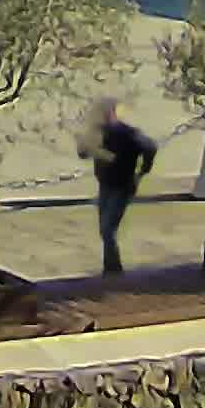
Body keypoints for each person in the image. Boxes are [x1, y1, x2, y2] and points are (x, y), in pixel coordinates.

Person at [78, 100, 157, 276]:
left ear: (111, 114)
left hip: (123, 186)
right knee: (105, 230)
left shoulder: (127, 133)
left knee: (107, 230)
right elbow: (83, 153)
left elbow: (150, 147)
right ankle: (111, 268)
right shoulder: (98, 132)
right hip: (105, 184)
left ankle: (113, 271)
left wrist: (143, 171)